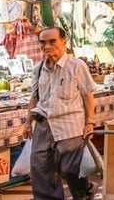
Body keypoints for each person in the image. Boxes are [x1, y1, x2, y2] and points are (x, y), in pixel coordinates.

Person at [26, 27, 96, 200]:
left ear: (64, 41)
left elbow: (88, 96)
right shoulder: (38, 68)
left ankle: (84, 193)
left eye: (52, 41)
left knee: (71, 169)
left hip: (69, 125)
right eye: (43, 42)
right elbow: (35, 97)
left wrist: (90, 123)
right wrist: (27, 122)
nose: (47, 46)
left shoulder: (77, 66)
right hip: (43, 124)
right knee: (40, 168)